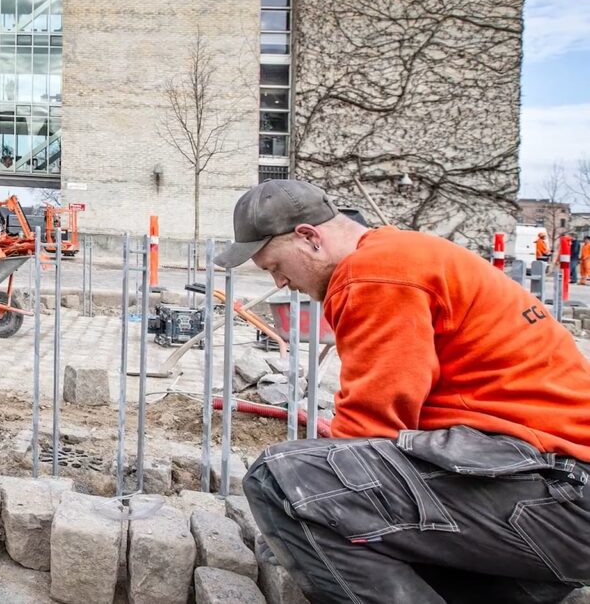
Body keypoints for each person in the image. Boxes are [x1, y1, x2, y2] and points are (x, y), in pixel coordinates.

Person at [215, 179, 590, 604]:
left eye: (274, 266)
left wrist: (300, 521)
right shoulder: (403, 252)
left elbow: (368, 429)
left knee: (279, 482)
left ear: (309, 238)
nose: (281, 283)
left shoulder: (376, 272)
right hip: (548, 498)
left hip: (555, 494)